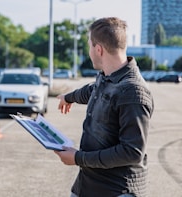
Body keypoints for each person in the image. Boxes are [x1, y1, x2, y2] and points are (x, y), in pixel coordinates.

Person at [55, 17, 154, 197]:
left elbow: (132, 152)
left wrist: (78, 158)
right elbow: (93, 90)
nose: (89, 51)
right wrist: (69, 97)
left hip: (116, 190)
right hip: (88, 185)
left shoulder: (133, 92)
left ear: (98, 49)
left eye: (89, 46)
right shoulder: (108, 77)